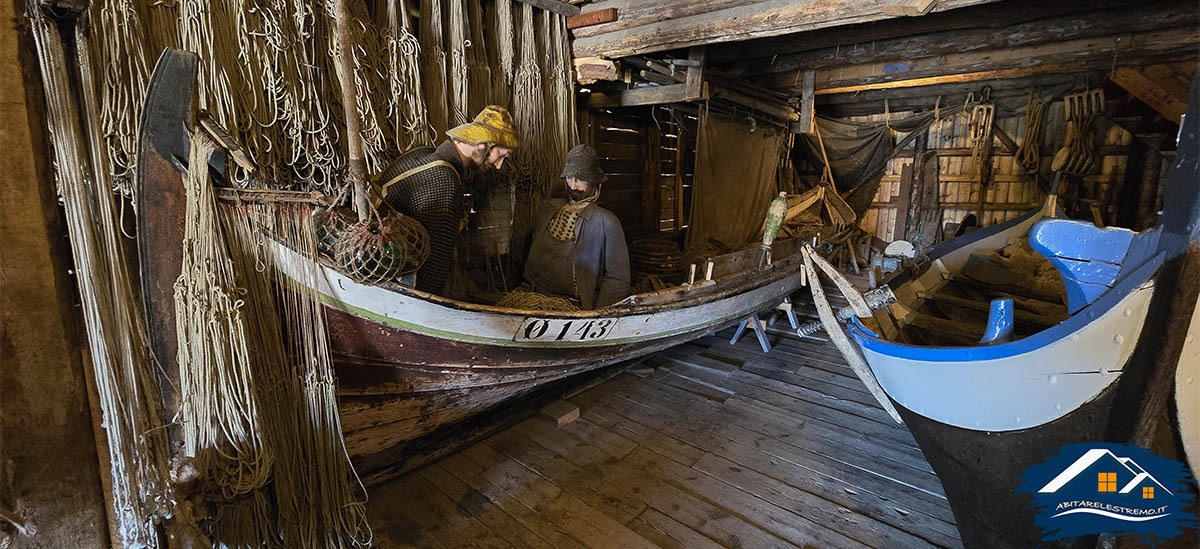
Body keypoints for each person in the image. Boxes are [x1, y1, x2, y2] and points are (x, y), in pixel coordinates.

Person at [374, 106, 518, 294]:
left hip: (379, 264)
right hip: (391, 281)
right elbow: (435, 261)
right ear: (483, 145)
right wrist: (429, 303)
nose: (499, 166)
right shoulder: (445, 183)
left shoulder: (422, 154)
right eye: (501, 156)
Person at [521, 144, 630, 309]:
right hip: (532, 295)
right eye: (569, 177)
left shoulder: (606, 222)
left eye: (581, 179)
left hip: (574, 306)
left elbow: (618, 279)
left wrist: (597, 315)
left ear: (595, 182)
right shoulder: (548, 209)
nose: (573, 185)